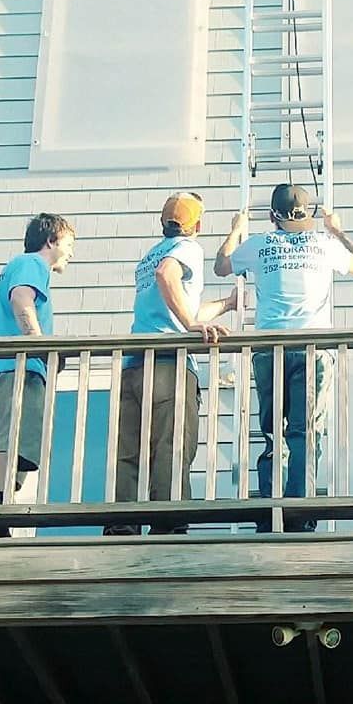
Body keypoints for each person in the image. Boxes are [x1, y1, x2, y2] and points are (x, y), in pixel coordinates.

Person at [214, 182, 353, 531]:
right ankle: (300, 514)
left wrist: (236, 231)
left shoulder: (259, 244)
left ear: (272, 217)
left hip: (270, 347)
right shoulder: (323, 243)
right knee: (307, 432)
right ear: (309, 216)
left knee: (273, 432)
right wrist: (338, 231)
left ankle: (272, 512)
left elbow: (221, 266)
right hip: (313, 348)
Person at [106, 193, 237, 535]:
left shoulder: (151, 255)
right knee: (171, 445)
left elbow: (176, 301)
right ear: (197, 225)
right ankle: (168, 525)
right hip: (168, 363)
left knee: (129, 450)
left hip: (135, 362)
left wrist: (225, 305)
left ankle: (123, 526)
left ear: (162, 223)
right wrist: (193, 327)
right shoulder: (188, 248)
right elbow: (169, 278)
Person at [0, 212, 75, 505]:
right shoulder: (32, 263)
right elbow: (21, 300)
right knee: (7, 438)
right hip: (14, 368)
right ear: (51, 240)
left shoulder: (16, 267)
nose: (71, 252)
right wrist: (40, 347)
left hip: (0, 369)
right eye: (69, 243)